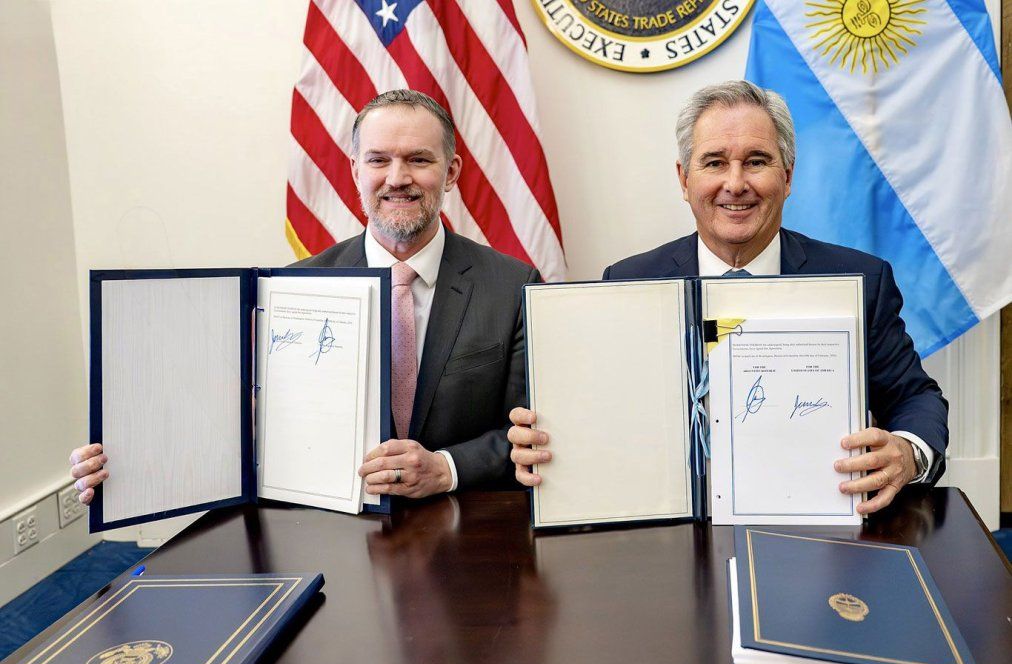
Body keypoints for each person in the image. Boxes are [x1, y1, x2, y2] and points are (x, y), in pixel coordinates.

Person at [71, 90, 538, 504]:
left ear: (451, 172)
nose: (397, 178)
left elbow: (531, 432)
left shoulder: (512, 286)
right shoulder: (291, 289)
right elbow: (241, 428)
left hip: (467, 523)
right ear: (355, 170)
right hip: (328, 528)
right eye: (378, 160)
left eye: (418, 159)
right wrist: (128, 462)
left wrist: (446, 468)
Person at [509, 80, 947, 515]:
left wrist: (908, 454)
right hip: (671, 528)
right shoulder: (629, 282)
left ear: (787, 177)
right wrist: (551, 446)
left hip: (813, 523)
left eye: (756, 161)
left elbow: (915, 397)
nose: (735, 184)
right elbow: (603, 412)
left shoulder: (859, 279)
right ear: (684, 179)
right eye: (715, 163)